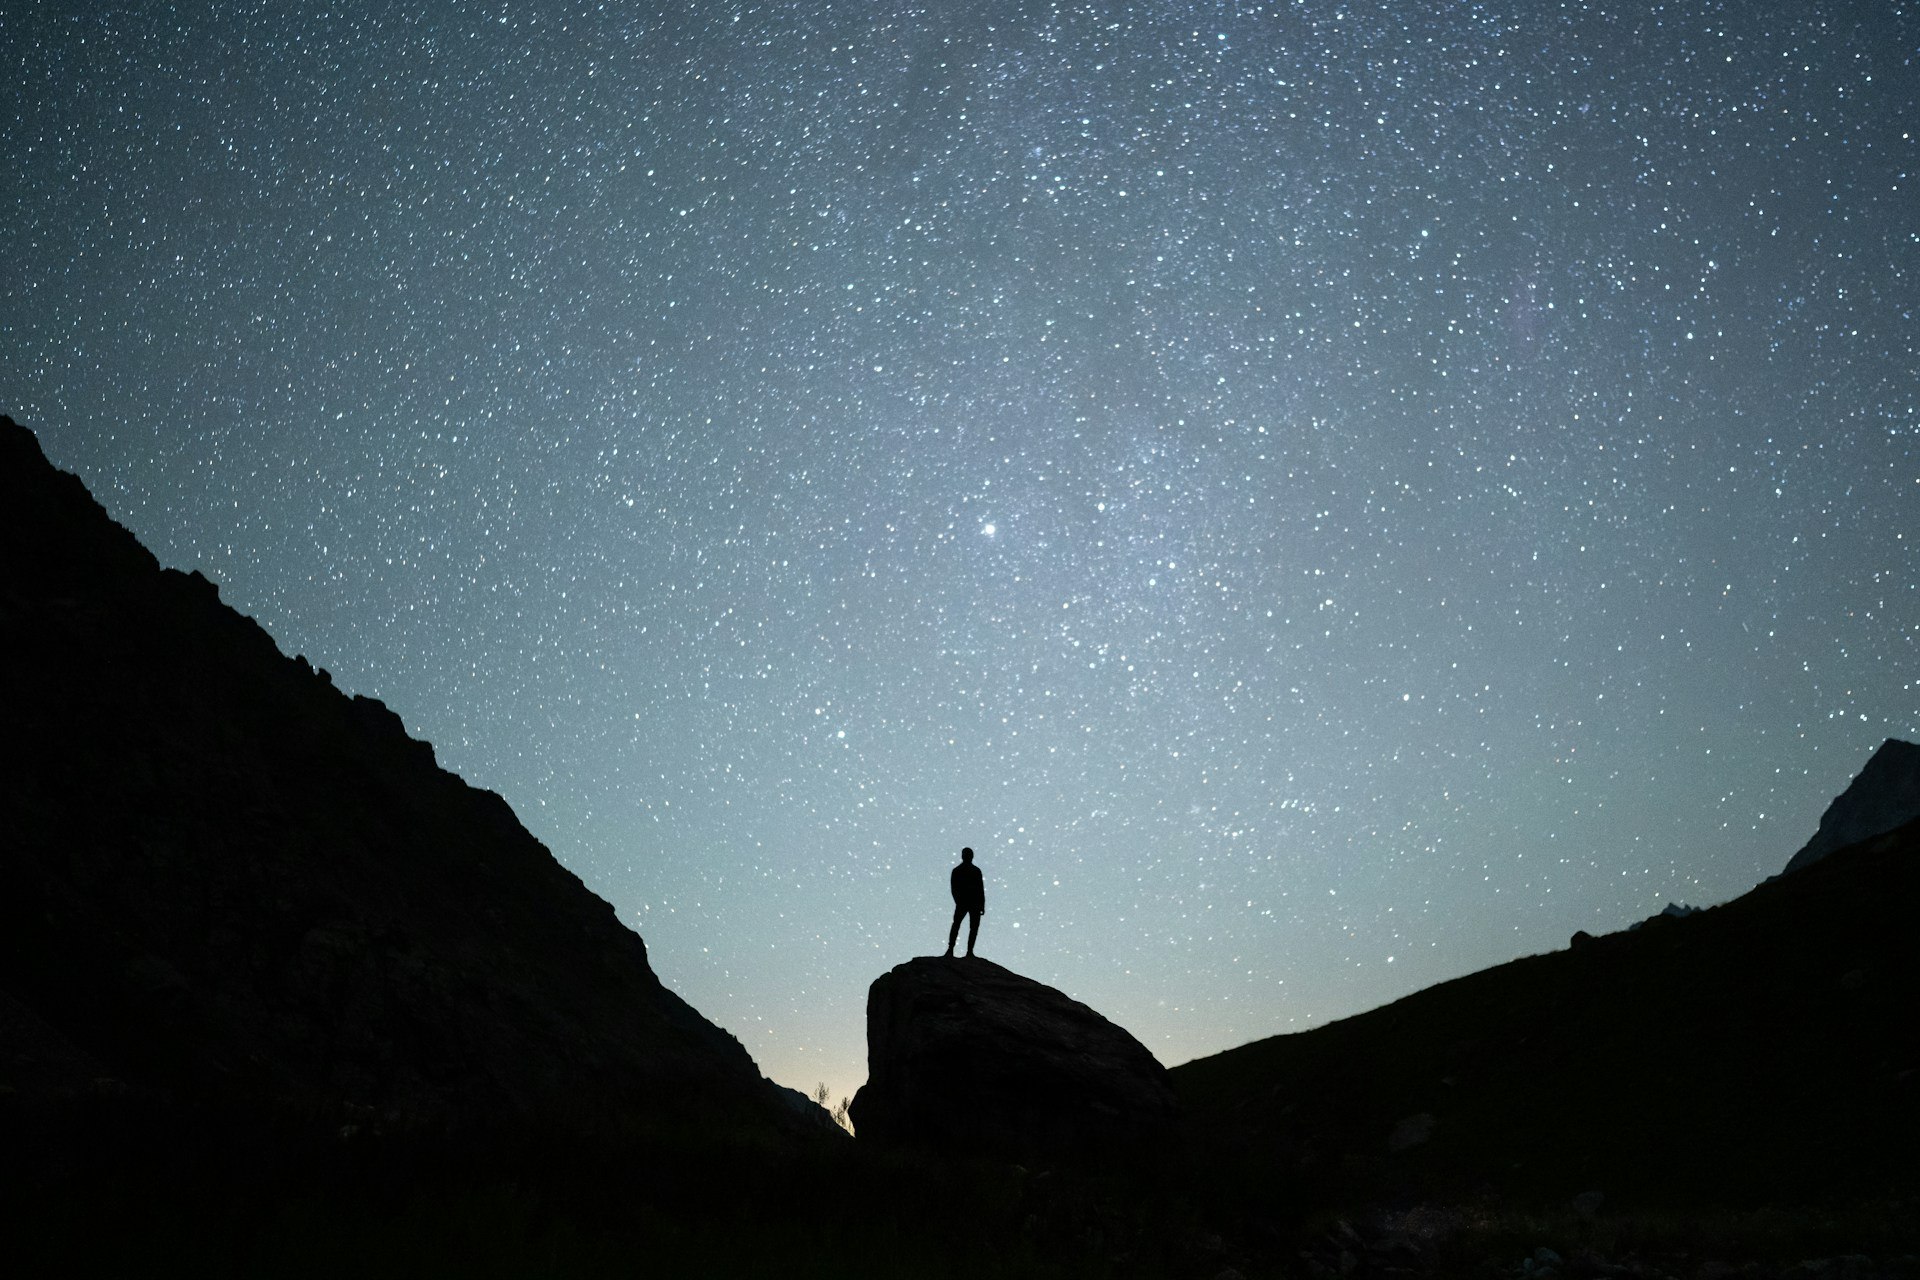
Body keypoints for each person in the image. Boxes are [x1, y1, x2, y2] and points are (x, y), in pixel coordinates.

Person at [944, 846, 984, 958]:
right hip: (964, 902)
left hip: (973, 903)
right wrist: (958, 901)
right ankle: (951, 949)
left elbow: (980, 889)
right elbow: (954, 888)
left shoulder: (975, 871)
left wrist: (982, 904)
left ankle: (969, 951)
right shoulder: (958, 871)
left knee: (972, 927)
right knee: (957, 925)